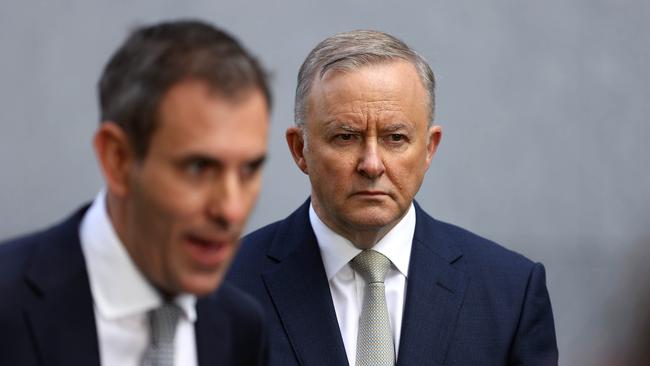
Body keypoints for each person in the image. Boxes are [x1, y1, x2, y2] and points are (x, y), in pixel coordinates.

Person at [227, 30, 558, 365]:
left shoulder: (510, 293)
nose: (371, 164)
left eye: (395, 138)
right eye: (346, 136)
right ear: (301, 150)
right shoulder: (222, 289)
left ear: (429, 149)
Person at [0, 20, 271, 366]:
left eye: (249, 169)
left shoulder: (242, 328)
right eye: (198, 168)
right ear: (118, 160)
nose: (231, 209)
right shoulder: (8, 306)